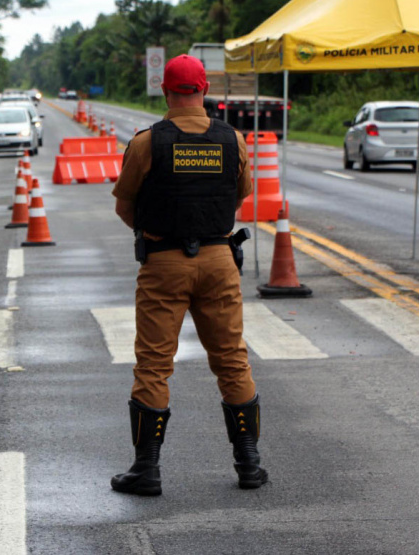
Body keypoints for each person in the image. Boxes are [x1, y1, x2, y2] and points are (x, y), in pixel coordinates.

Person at [110, 54, 267, 496]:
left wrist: (158, 236)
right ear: (204, 91)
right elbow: (239, 196)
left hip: (163, 262)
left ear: (165, 90)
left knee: (155, 366)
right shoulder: (232, 139)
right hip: (219, 261)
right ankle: (249, 464)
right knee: (232, 359)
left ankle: (147, 470)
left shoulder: (147, 143)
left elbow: (125, 206)